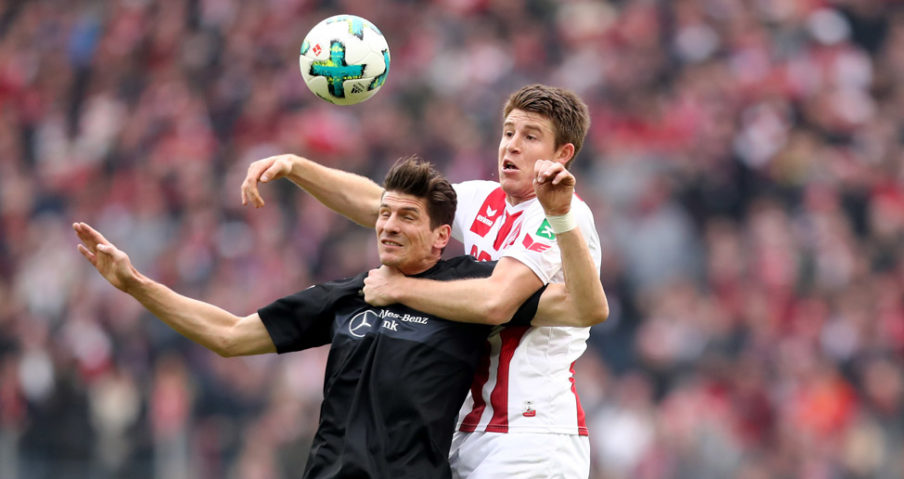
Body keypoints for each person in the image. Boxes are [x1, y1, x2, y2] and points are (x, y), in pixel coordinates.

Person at [76, 156, 605, 478]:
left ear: (443, 235)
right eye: (384, 214)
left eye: (406, 217)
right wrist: (135, 285)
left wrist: (560, 218)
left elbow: (584, 306)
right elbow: (229, 335)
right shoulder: (353, 293)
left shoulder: (474, 290)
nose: (388, 227)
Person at [241, 84, 602, 478]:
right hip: (470, 429)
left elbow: (496, 302)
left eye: (530, 136)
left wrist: (400, 288)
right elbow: (379, 204)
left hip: (532, 431)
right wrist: (297, 167)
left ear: (562, 155)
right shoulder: (485, 200)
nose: (511, 146)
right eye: (508, 132)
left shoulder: (564, 217)